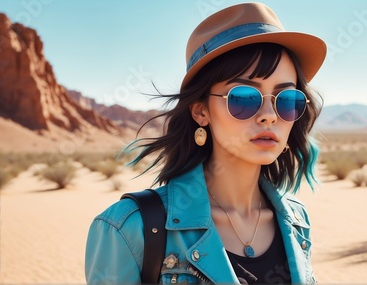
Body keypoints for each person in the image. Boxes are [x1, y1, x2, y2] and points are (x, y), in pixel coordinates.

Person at [85, 2, 326, 284]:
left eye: (287, 100)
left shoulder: (297, 221)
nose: (269, 116)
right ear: (201, 111)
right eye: (244, 98)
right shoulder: (129, 229)